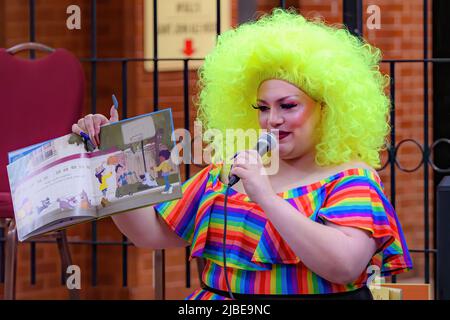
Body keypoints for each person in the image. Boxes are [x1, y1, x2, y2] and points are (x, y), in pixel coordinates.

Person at [71, 9, 412, 300]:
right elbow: (149, 233)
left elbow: (344, 265)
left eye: (288, 106)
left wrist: (265, 196)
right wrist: (111, 156)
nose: (273, 119)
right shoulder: (228, 173)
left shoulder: (351, 179)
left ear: (328, 109)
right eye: (263, 107)